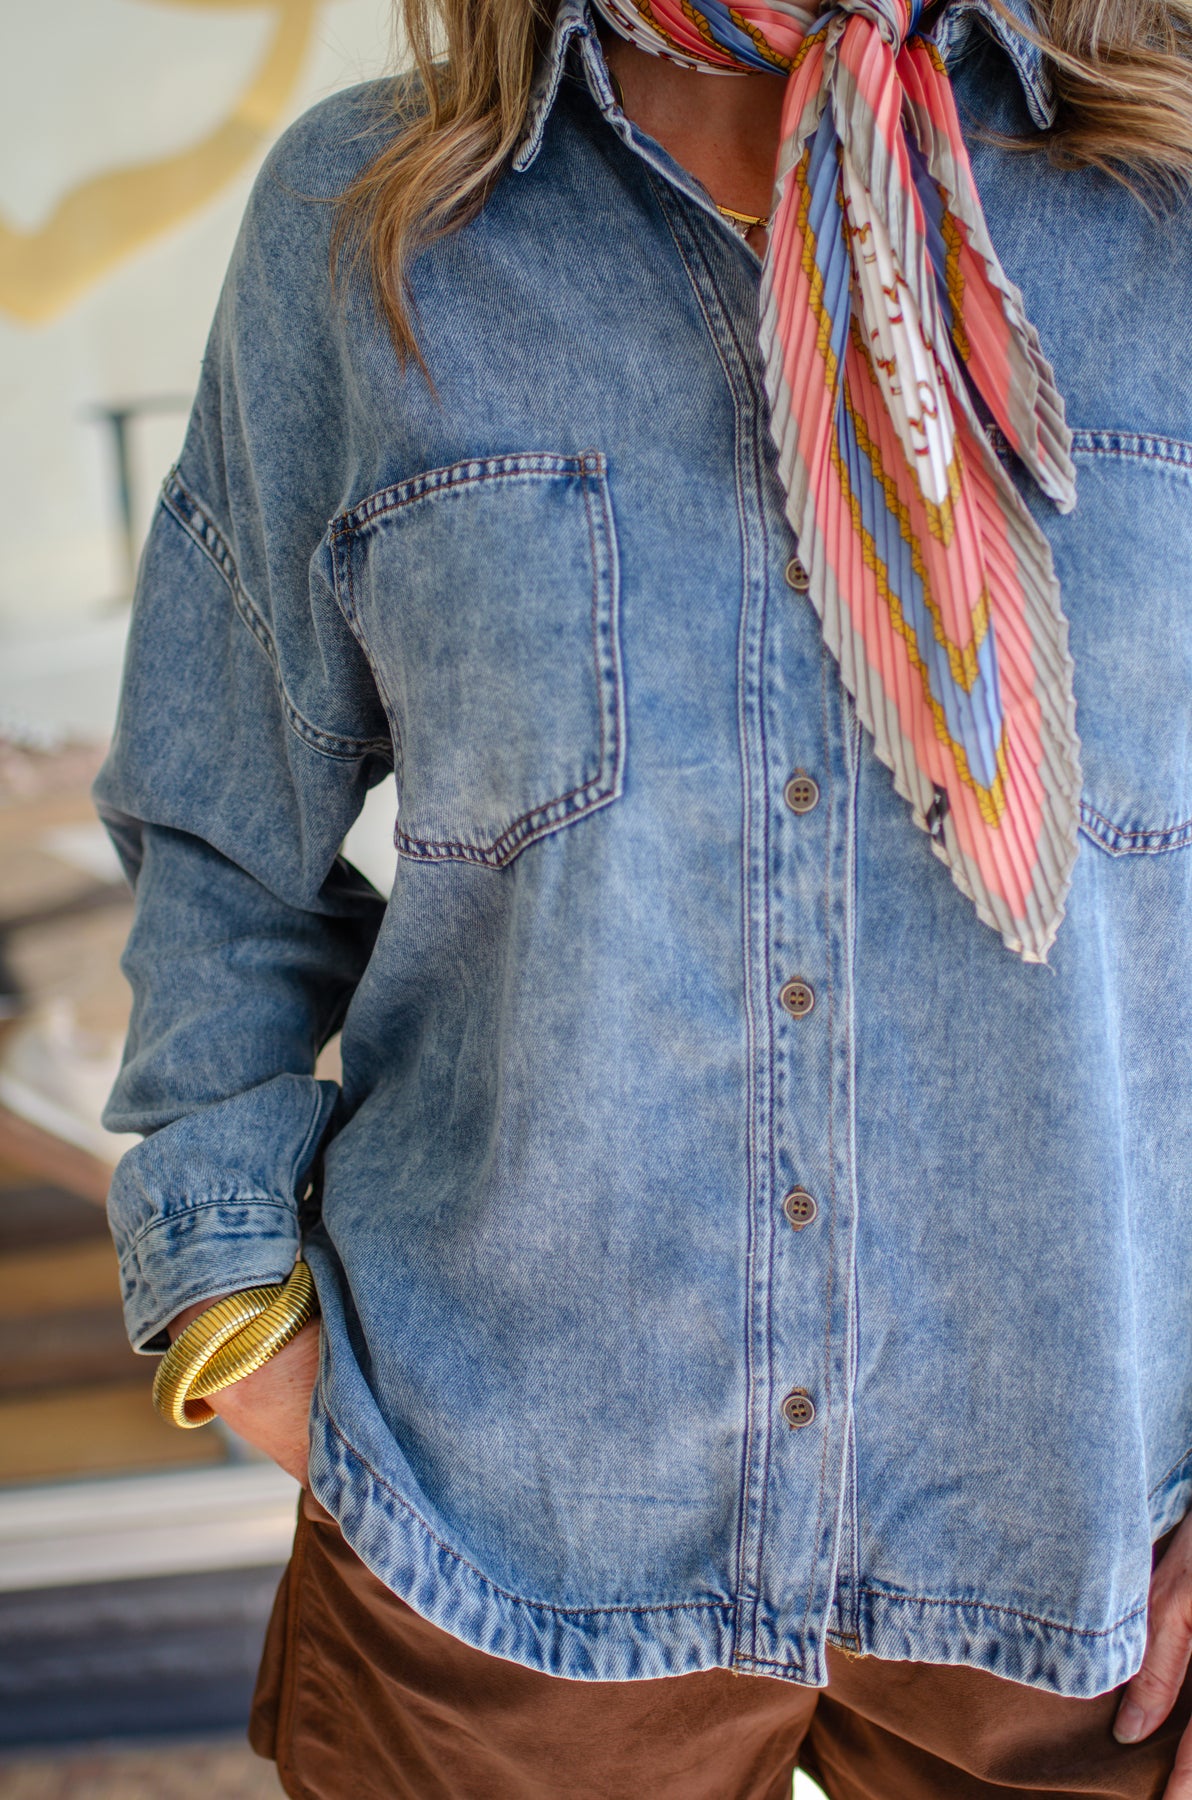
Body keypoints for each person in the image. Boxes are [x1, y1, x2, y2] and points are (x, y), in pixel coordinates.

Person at [93, 0, 1192, 1788]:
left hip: (1086, 1558)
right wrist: (249, 1318)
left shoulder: (1171, 199)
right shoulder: (366, 227)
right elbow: (219, 830)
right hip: (495, 1545)